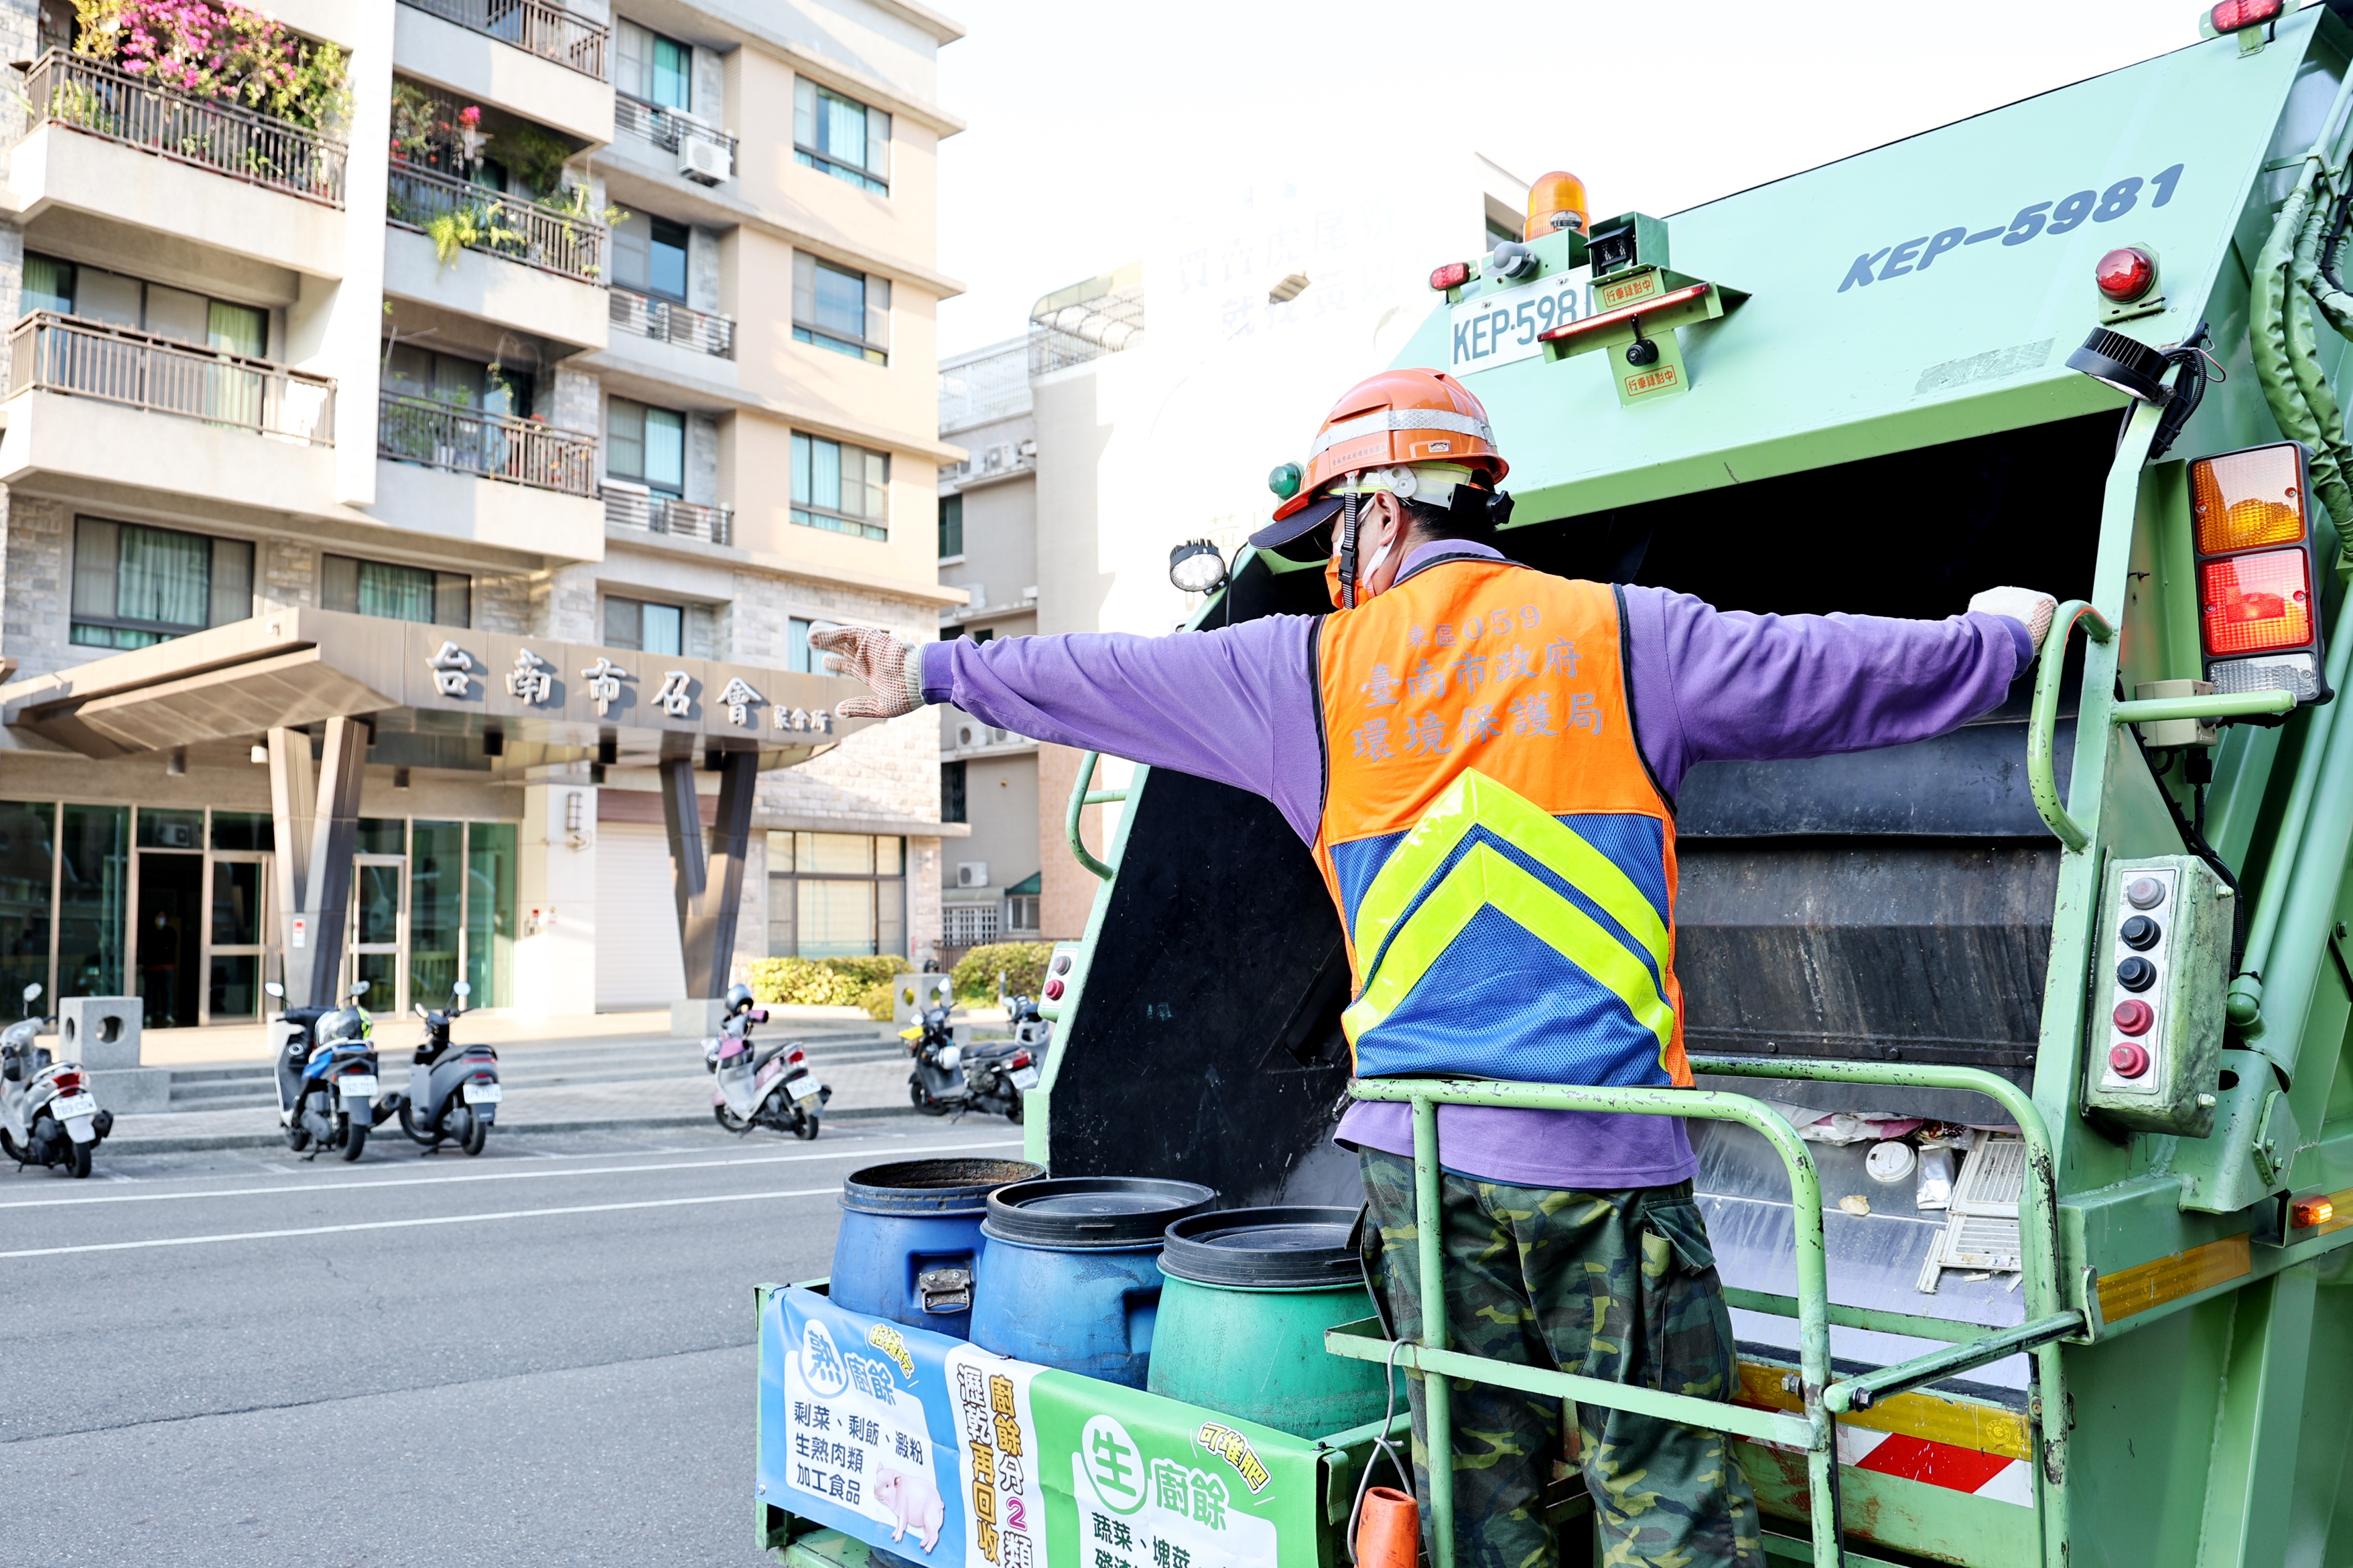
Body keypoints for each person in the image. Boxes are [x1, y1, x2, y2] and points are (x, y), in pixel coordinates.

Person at [813, 368, 2056, 1568]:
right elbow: (1841, 669)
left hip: (1417, 1163)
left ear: (1382, 514)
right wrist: (2002, 639)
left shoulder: (1304, 671)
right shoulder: (1624, 635)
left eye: (1333, 534)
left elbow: (1106, 675)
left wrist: (929, 672)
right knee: (1661, 1486)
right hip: (1602, 1165)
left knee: (1476, 1490)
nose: (1332, 562)